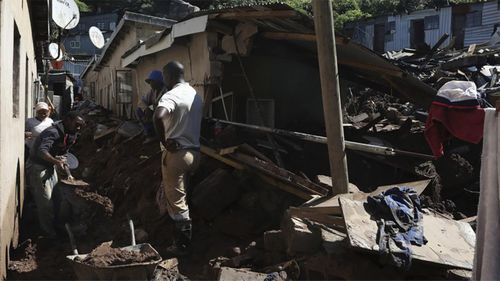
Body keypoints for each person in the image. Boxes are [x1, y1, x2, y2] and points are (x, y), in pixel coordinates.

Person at [154, 61, 203, 255]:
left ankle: (182, 246)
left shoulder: (171, 95)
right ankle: (190, 233)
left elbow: (158, 116)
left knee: (178, 203)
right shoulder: (195, 95)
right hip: (195, 153)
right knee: (185, 195)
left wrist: (165, 142)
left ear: (168, 76)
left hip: (176, 155)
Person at [27, 111, 85, 237]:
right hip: (38, 167)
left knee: (57, 199)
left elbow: (64, 150)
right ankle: (48, 234)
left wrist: (62, 158)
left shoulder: (71, 133)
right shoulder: (53, 132)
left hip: (50, 165)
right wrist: (56, 161)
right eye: (77, 124)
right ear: (68, 120)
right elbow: (42, 151)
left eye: (81, 126)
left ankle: (58, 226)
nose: (78, 128)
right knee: (46, 202)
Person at [137, 70, 165, 144]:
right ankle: (150, 133)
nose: (150, 84)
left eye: (152, 81)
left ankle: (161, 136)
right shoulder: (153, 91)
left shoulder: (166, 91)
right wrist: (146, 109)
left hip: (165, 114)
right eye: (149, 82)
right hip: (156, 113)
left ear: (158, 81)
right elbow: (141, 102)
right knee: (139, 110)